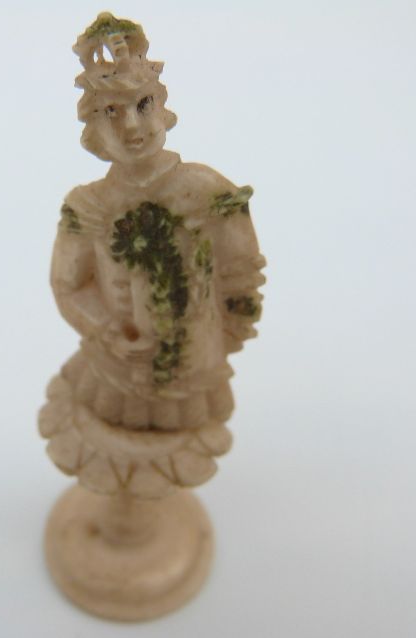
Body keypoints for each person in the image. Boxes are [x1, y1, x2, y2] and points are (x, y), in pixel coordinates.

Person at [48, 13, 266, 435]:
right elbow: (69, 285)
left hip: (195, 364)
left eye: (143, 104)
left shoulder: (208, 192)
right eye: (111, 111)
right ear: (93, 128)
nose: (131, 126)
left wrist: (225, 336)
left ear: (163, 109)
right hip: (116, 370)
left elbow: (241, 272)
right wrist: (109, 332)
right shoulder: (87, 207)